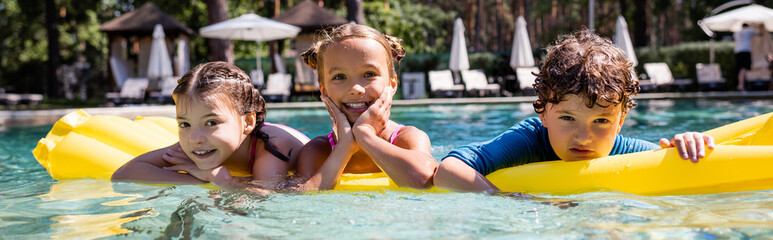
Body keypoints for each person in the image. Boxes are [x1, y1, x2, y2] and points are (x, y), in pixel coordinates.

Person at [433, 29, 715, 192]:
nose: (584, 136)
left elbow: (665, 161)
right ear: (543, 112)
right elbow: (447, 170)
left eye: (602, 121)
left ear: (621, 121)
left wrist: (686, 146)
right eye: (568, 118)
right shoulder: (529, 140)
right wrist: (504, 200)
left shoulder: (626, 149)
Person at [112, 62, 309, 193]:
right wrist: (205, 179)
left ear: (247, 122)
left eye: (211, 123)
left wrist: (227, 183)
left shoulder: (272, 148)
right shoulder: (198, 142)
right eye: (184, 124)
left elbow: (267, 199)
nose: (194, 138)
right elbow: (122, 175)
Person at [290, 24, 437, 191]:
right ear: (324, 90)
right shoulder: (318, 151)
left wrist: (365, 135)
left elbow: (424, 180)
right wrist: (345, 146)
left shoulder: (406, 139)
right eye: (339, 77)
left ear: (392, 84)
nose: (356, 89)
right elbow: (301, 199)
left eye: (369, 74)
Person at [735, 23, 760, 91]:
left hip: (738, 51)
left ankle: (742, 84)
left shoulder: (737, 32)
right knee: (744, 68)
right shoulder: (749, 30)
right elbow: (759, 33)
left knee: (740, 69)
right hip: (745, 51)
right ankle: (741, 85)